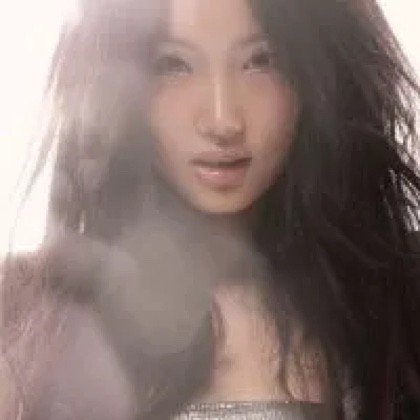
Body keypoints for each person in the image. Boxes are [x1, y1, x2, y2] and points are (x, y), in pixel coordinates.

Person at [1, 0, 419, 419]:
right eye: (173, 64)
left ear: (318, 72)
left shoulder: (398, 302)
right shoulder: (32, 318)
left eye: (261, 60)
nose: (223, 121)